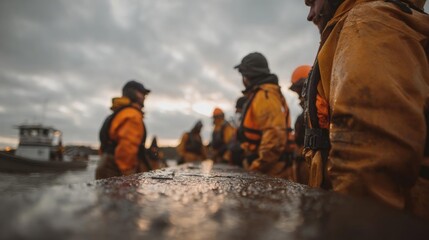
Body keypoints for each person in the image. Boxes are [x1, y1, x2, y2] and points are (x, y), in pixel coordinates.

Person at [303, 0, 429, 217]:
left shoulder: (369, 23)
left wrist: (352, 223)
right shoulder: (374, 21)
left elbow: (367, 162)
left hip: (371, 220)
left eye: (312, 2)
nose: (310, 14)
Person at [234, 52, 292, 178]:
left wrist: (256, 167)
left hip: (271, 170)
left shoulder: (265, 96)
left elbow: (274, 136)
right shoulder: (264, 93)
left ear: (248, 76)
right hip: (268, 166)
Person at [96, 80, 151, 179]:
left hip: (105, 164)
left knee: (104, 194)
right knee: (120, 194)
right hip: (116, 168)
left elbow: (105, 144)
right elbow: (127, 146)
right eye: (142, 93)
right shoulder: (132, 115)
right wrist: (128, 173)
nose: (144, 97)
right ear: (133, 93)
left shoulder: (120, 112)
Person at [289, 65, 312, 184]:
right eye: (297, 92)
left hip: (309, 165)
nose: (298, 96)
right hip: (301, 164)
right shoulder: (303, 116)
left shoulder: (316, 111)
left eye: (299, 90)